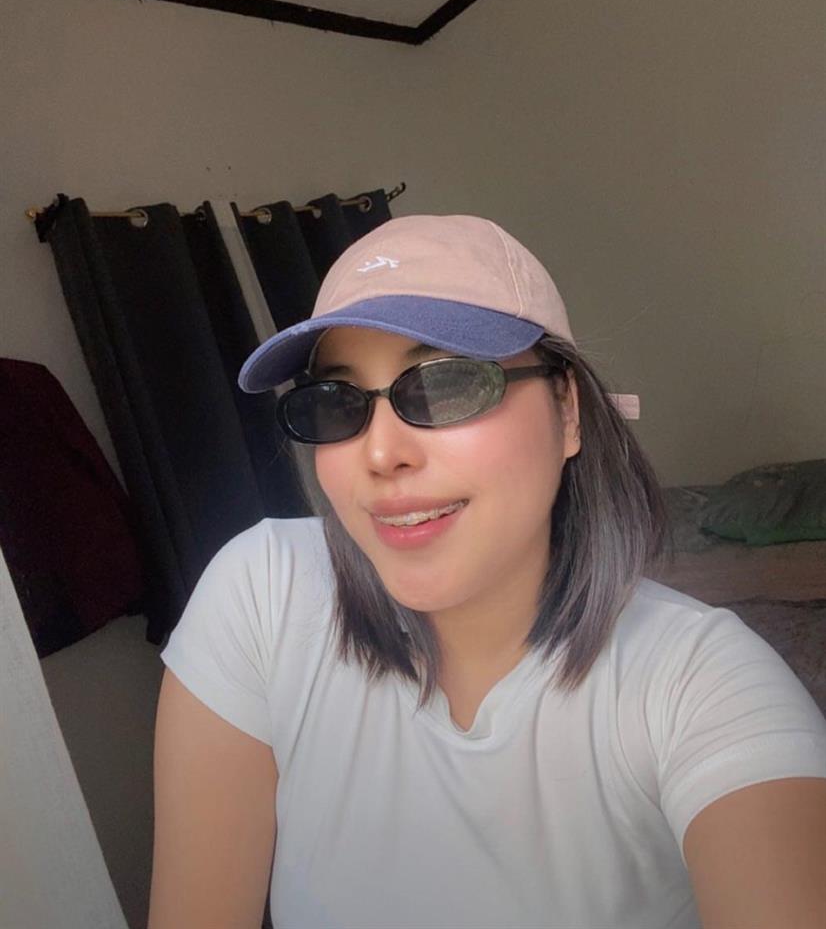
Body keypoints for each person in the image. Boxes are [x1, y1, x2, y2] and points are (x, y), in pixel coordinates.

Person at [148, 214, 826, 929]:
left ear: (568, 410)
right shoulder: (265, 593)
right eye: (337, 402)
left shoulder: (703, 684)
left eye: (446, 386)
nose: (381, 453)